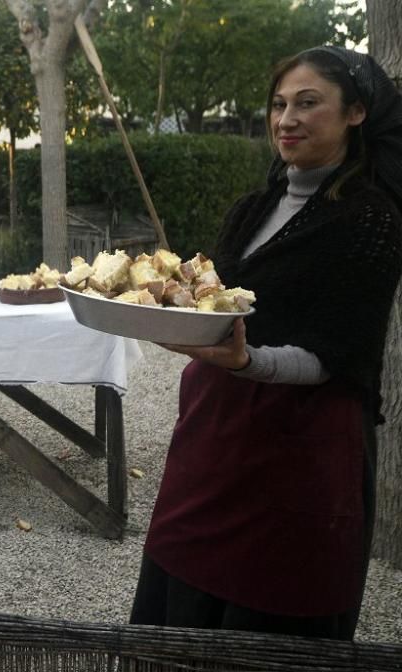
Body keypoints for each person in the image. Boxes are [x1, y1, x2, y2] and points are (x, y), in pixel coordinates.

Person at [130, 47, 402, 641]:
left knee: (270, 601)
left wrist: (249, 361)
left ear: (355, 113)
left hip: (300, 452)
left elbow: (338, 358)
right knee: (183, 595)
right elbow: (214, 307)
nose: (287, 120)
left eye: (308, 103)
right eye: (279, 105)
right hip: (211, 440)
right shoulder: (252, 208)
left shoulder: (370, 221)